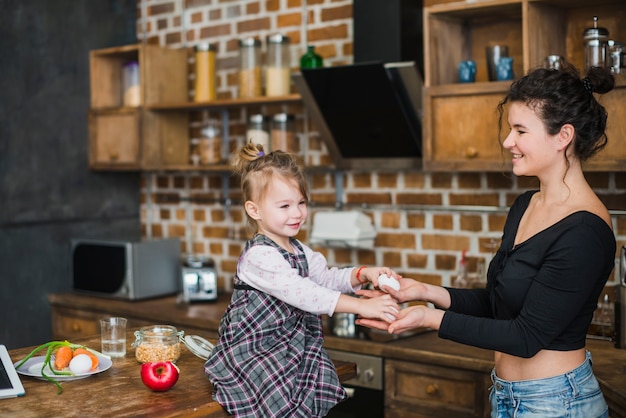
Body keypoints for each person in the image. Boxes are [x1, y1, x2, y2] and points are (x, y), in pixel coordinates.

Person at [357, 63, 616, 418]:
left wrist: (430, 320)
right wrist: (427, 293)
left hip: (558, 403)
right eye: (510, 129)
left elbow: (526, 336)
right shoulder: (527, 203)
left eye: (520, 130)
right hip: (509, 398)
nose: (508, 141)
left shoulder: (585, 230)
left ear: (563, 136)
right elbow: (500, 305)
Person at [205, 142, 401, 418]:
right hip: (258, 354)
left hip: (293, 350)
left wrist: (361, 273)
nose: (296, 213)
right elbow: (304, 292)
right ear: (254, 210)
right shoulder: (259, 256)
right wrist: (362, 306)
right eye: (284, 206)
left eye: (301, 203)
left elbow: (324, 278)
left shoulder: (299, 250)